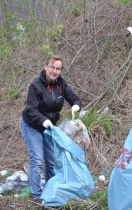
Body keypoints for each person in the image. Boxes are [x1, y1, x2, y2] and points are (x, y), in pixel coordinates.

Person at [21, 55, 82, 204]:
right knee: (37, 159)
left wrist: (76, 105)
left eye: (58, 68)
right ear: (45, 67)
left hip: (50, 128)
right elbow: (31, 109)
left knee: (52, 161)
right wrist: (44, 120)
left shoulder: (61, 84)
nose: (54, 71)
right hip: (32, 126)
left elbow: (73, 97)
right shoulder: (35, 85)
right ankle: (36, 195)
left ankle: (50, 190)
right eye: (52, 67)